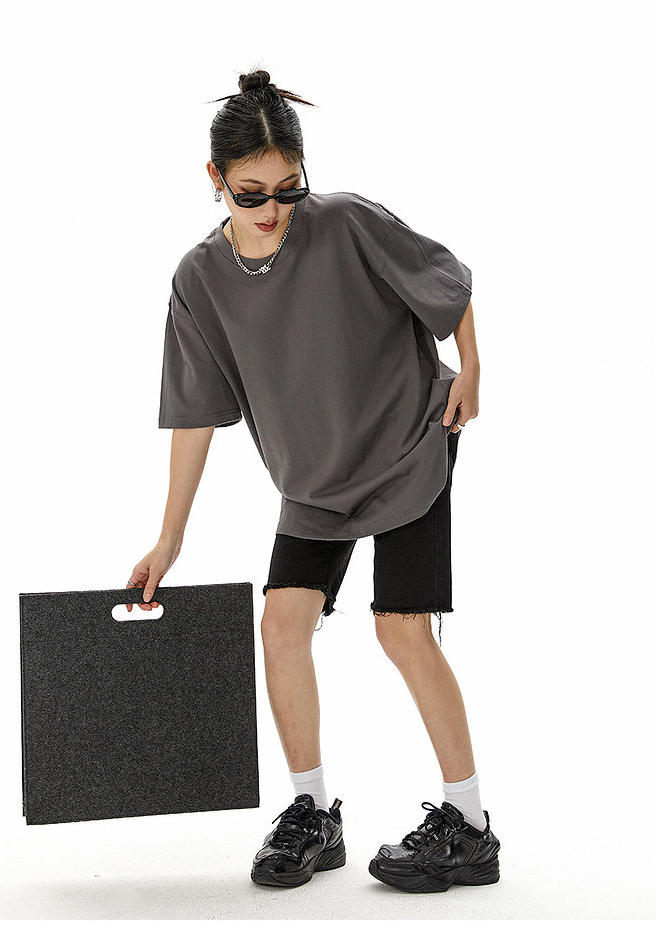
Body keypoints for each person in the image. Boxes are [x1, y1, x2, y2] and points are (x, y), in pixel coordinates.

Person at [126, 68, 500, 893]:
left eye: (288, 188)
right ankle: (312, 814)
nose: (271, 209)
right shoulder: (199, 280)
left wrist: (471, 365)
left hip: (408, 443)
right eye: (251, 192)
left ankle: (470, 826)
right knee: (280, 625)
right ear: (215, 177)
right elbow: (195, 415)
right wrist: (169, 538)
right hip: (314, 478)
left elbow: (448, 281)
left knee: (401, 630)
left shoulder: (348, 222)